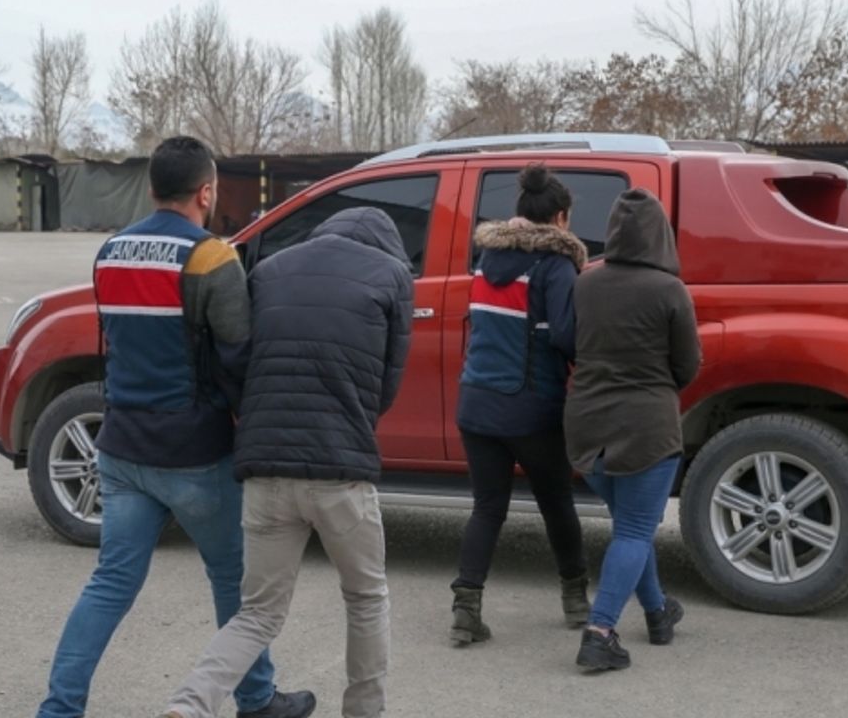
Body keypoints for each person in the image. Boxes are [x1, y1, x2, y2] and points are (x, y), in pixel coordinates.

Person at [37, 136, 312, 718]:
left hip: (120, 448)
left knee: (110, 584)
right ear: (206, 191)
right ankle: (257, 699)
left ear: (151, 187)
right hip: (193, 452)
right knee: (234, 581)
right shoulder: (211, 257)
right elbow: (237, 356)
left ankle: (59, 710)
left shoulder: (110, 251)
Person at [161, 207, 414, 718]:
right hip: (341, 472)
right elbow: (388, 382)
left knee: (257, 613)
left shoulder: (269, 269)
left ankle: (188, 706)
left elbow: (237, 360)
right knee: (366, 598)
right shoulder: (393, 276)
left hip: (264, 467)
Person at [449, 163, 590, 646]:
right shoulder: (555, 265)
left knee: (487, 508)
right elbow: (567, 337)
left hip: (476, 405)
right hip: (531, 409)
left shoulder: (486, 261)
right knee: (556, 503)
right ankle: (576, 601)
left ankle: (466, 610)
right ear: (561, 218)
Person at [564, 188, 702, 672]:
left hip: (585, 427)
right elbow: (689, 365)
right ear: (661, 235)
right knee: (637, 531)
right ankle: (600, 632)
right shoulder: (669, 290)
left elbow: (567, 343)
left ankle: (658, 612)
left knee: (630, 530)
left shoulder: (584, 283)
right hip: (647, 426)